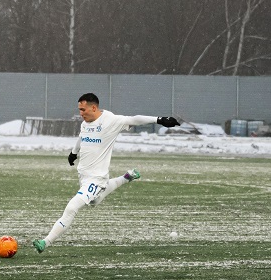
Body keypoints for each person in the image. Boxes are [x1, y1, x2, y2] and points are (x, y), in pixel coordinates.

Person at [32, 93, 179, 253]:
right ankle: (126, 177)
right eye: (79, 110)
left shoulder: (111, 121)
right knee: (95, 201)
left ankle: (45, 242)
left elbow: (134, 119)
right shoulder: (85, 123)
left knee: (71, 207)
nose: (81, 113)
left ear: (93, 107)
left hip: (96, 179)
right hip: (84, 176)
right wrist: (74, 152)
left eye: (83, 109)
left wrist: (159, 119)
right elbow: (82, 136)